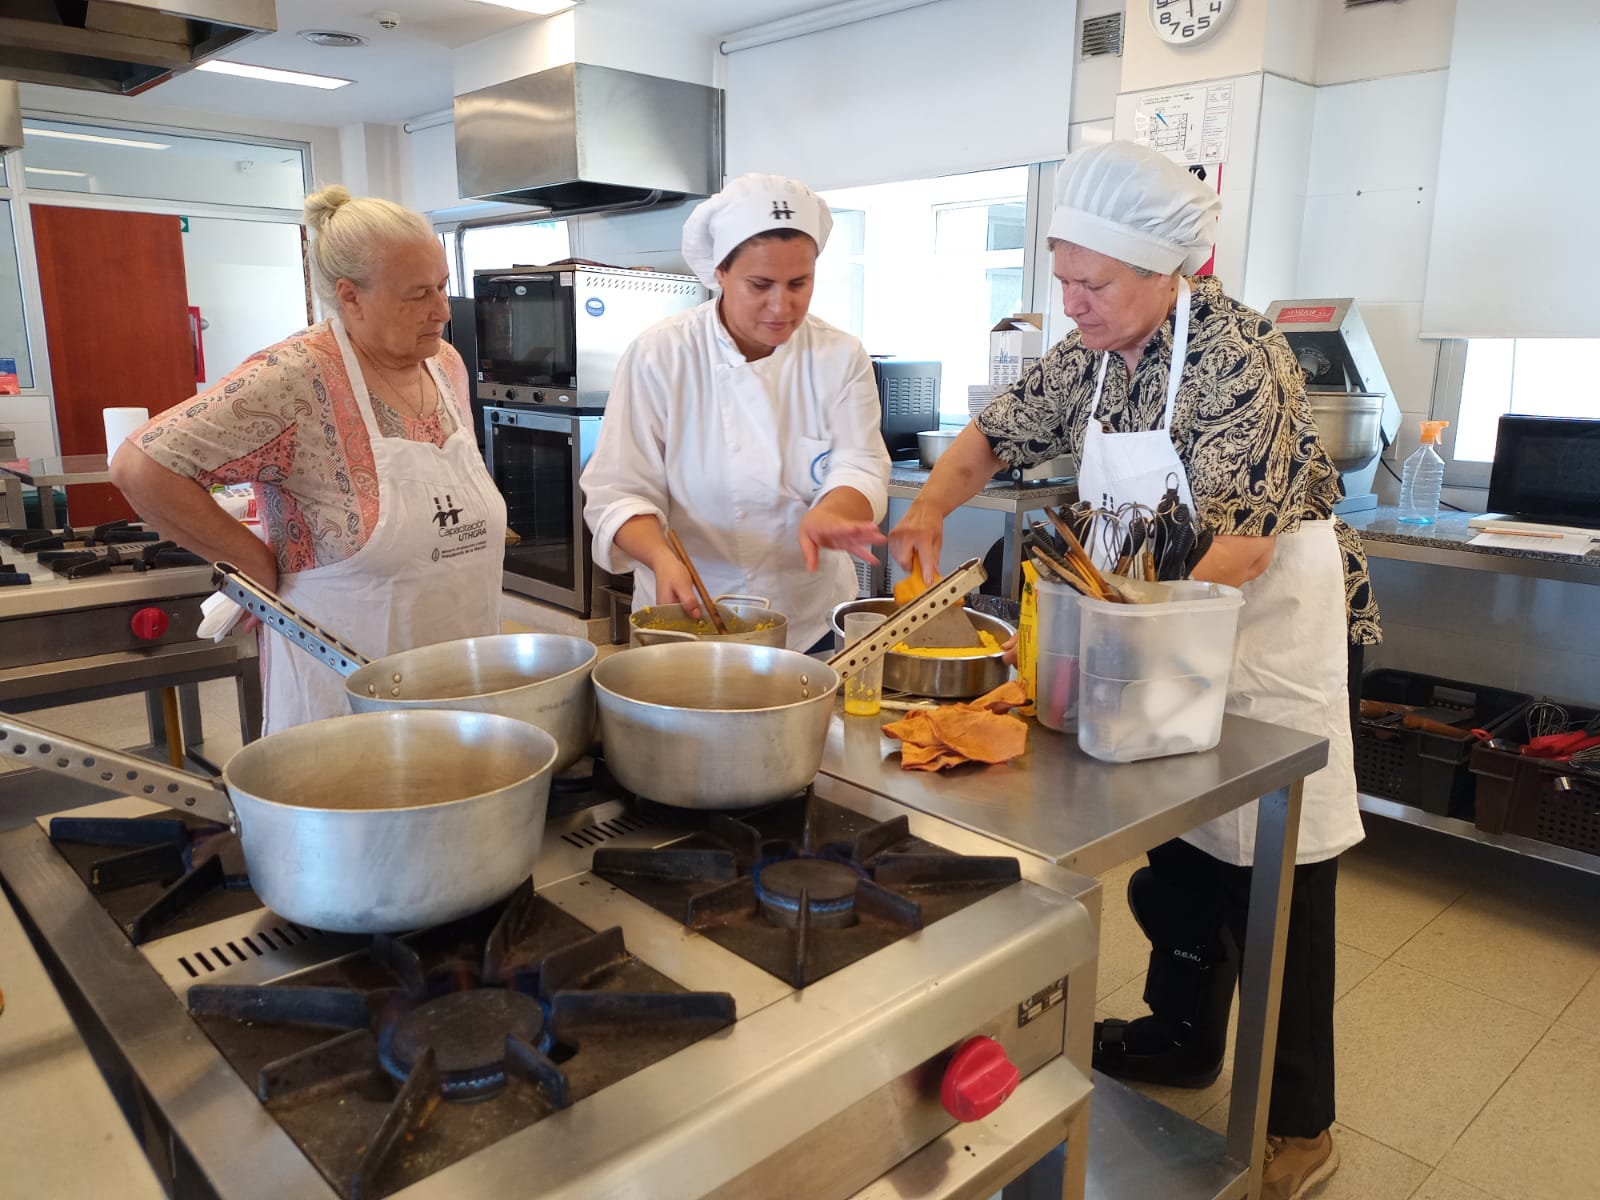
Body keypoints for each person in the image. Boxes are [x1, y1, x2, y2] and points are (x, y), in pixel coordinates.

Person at [888, 141, 1381, 1200]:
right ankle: (1182, 1037)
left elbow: (1238, 550)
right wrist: (927, 507)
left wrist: (1111, 638)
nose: (1072, 303)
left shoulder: (1242, 357)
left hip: (1266, 630)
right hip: (1155, 620)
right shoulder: (1094, 354)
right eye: (1062, 278)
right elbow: (992, 434)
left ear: (1168, 271)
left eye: (1094, 283)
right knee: (1182, 847)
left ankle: (1301, 1125)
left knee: (1280, 876)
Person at [110, 185, 506, 734]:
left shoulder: (446, 366)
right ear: (350, 297)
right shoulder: (293, 378)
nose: (441, 310)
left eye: (442, 286)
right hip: (343, 706)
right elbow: (141, 466)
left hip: (462, 688)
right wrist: (250, 566)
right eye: (418, 295)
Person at [581, 173, 890, 654]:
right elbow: (618, 490)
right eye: (760, 284)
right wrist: (661, 558)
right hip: (687, 615)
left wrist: (832, 511)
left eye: (799, 283)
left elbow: (861, 464)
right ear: (720, 272)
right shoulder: (661, 354)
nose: (781, 306)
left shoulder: (840, 356)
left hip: (807, 620)